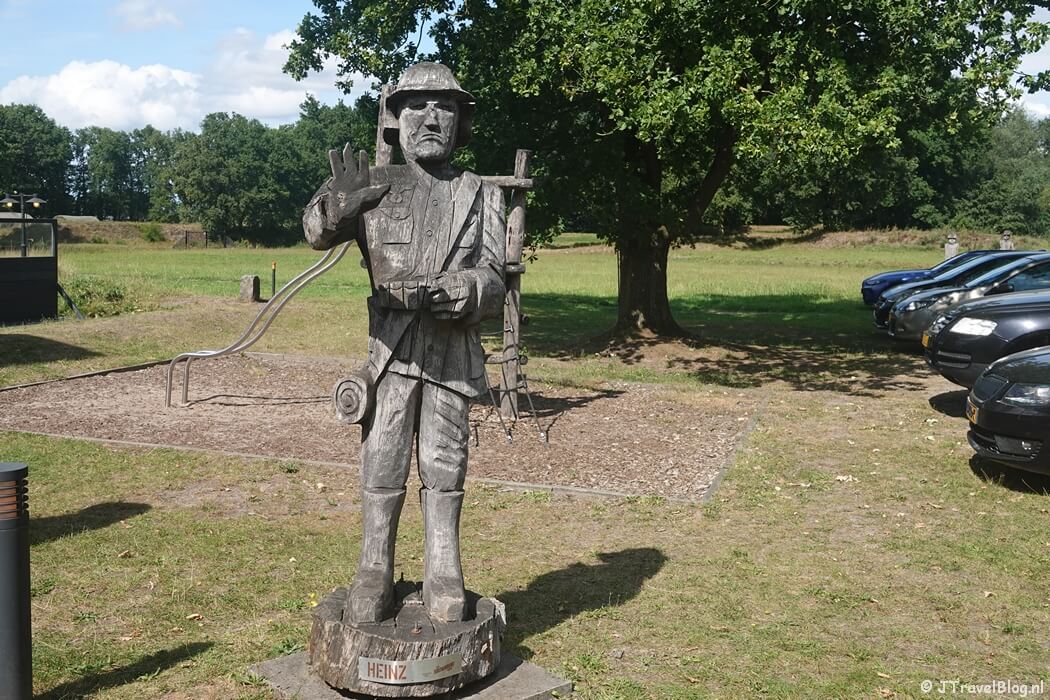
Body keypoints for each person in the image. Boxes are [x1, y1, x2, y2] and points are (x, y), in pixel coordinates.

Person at [302, 62, 506, 624]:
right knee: (383, 459)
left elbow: (495, 280)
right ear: (394, 118)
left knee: (446, 464)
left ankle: (445, 568)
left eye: (444, 107)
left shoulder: (477, 192)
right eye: (416, 105)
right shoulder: (372, 181)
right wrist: (335, 209)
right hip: (390, 355)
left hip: (451, 355)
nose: (431, 117)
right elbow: (315, 233)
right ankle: (374, 567)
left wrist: (464, 288)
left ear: (461, 120)